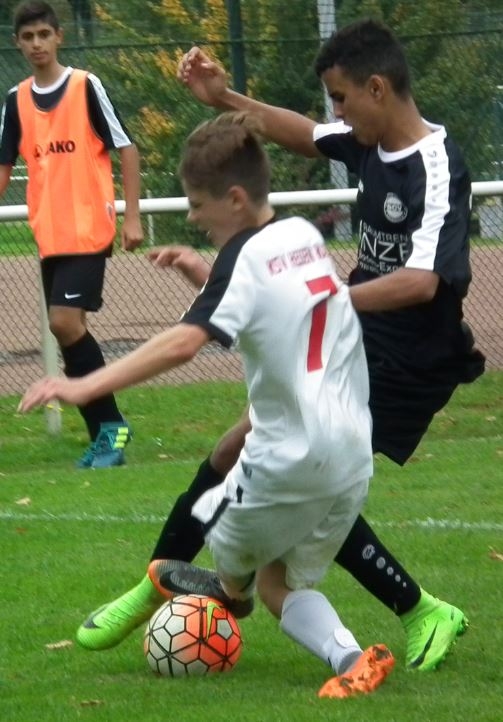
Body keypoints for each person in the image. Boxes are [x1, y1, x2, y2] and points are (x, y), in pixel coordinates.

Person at [64, 19, 486, 672]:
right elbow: (305, 134)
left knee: (308, 474)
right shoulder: (370, 142)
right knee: (241, 449)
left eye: (341, 98)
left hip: (412, 358)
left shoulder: (434, 164)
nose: (336, 113)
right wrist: (224, 99)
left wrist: (314, 299)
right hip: (356, 338)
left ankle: (417, 608)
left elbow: (421, 281)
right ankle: (158, 580)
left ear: (377, 88)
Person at [19, 111, 396, 699]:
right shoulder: (302, 236)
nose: (192, 216)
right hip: (351, 449)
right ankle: (352, 659)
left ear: (236, 199)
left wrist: (85, 386)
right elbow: (271, 308)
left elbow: (183, 343)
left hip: (288, 454)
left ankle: (226, 588)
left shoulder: (242, 260)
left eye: (198, 204)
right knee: (279, 584)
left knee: (219, 539)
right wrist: (206, 275)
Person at [0, 1, 144, 467]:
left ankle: (112, 427)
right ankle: (106, 438)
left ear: (59, 36)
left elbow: (126, 148)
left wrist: (133, 216)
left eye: (44, 34)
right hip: (50, 235)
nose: (37, 44)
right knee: (68, 332)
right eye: (28, 37)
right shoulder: (15, 100)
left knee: (63, 323)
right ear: (17, 43)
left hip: (88, 228)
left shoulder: (85, 86)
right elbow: (3, 166)